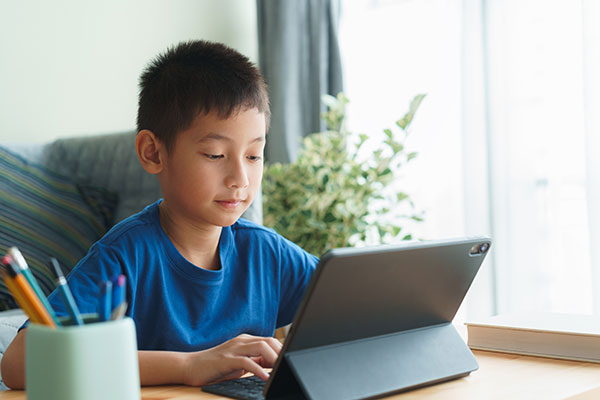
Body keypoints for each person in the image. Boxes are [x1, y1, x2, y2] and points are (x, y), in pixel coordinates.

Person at [1, 40, 318, 388]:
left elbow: (361, 310)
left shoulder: (267, 253)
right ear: (153, 152)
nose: (240, 179)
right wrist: (190, 366)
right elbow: (18, 364)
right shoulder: (124, 256)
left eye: (254, 155)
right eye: (215, 155)